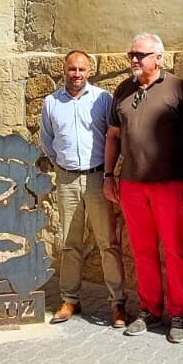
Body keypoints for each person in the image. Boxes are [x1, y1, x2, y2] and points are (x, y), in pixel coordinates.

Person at [105, 32, 183, 343]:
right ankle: (149, 309)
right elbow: (113, 137)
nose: (134, 59)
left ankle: (179, 314)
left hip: (170, 184)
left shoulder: (177, 88)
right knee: (143, 250)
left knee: (175, 250)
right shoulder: (122, 90)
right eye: (131, 54)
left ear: (158, 58)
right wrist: (109, 175)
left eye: (140, 54)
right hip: (132, 185)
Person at [40, 50, 128, 326]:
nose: (76, 74)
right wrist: (61, 166)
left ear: (90, 71)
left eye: (81, 69)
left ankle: (117, 303)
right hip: (66, 179)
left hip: (97, 177)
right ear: (63, 70)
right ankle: (70, 299)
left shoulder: (103, 99)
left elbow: (114, 136)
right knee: (69, 243)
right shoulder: (51, 103)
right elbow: (47, 139)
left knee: (108, 243)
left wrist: (108, 173)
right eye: (71, 69)